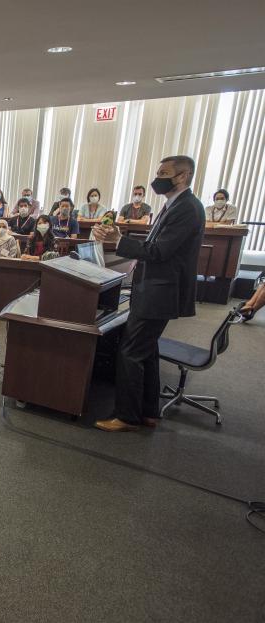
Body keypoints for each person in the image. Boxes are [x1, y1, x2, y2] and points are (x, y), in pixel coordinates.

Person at [92, 155, 206, 432]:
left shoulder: (188, 208)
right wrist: (120, 236)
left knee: (129, 352)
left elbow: (159, 252)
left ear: (182, 176)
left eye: (164, 172)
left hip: (159, 292)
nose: (157, 177)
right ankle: (147, 411)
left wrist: (118, 241)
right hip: (154, 289)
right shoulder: (174, 205)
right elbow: (155, 244)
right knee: (147, 352)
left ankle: (127, 416)